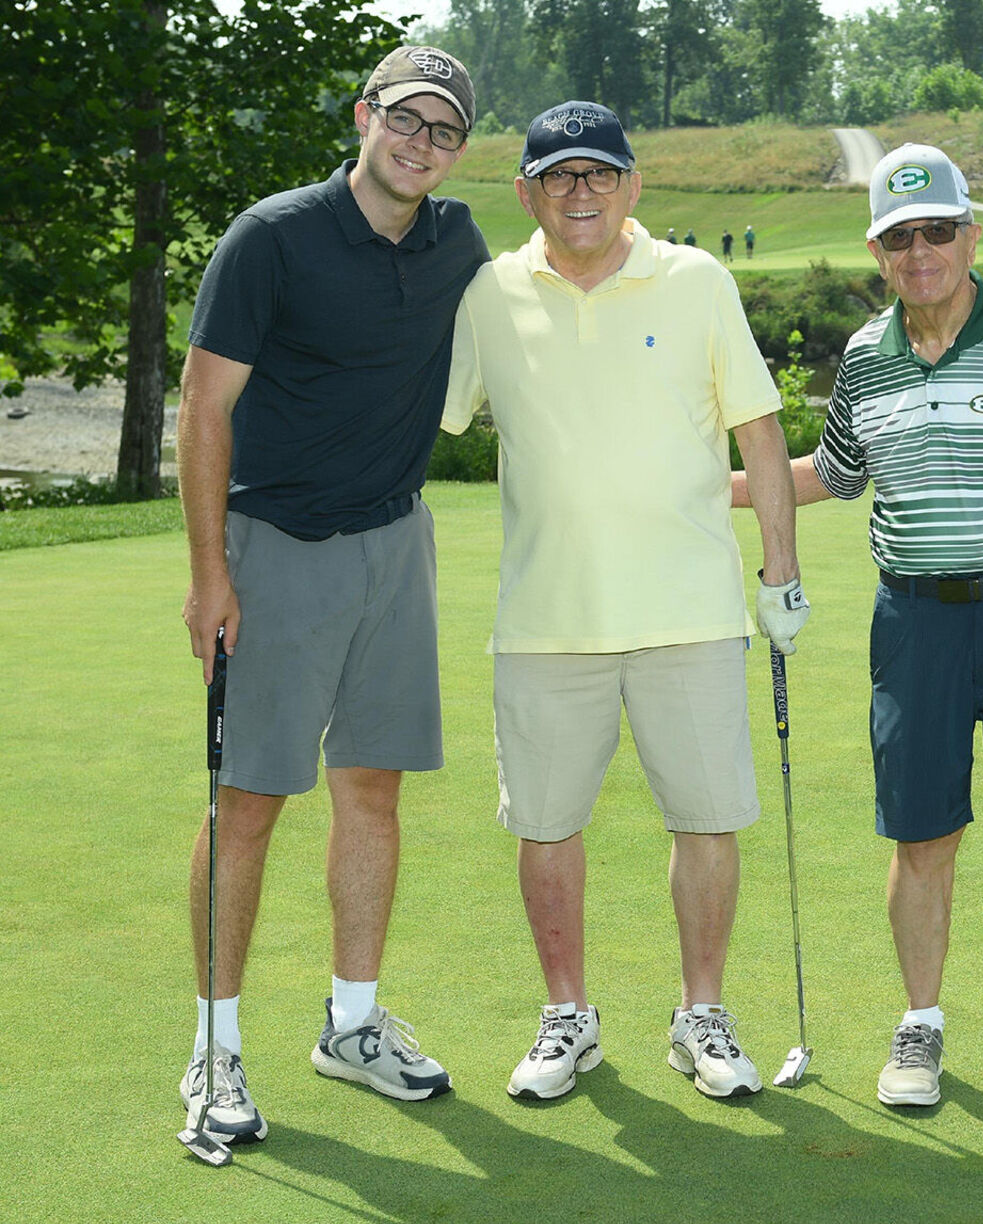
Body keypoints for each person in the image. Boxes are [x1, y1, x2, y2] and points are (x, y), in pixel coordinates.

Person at [734, 144, 983, 1116]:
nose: (920, 252)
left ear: (971, 237)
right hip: (914, 622)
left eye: (937, 231)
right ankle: (920, 1025)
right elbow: (831, 474)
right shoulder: (866, 356)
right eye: (900, 237)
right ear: (877, 252)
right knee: (920, 833)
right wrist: (706, 485)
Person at [442, 101, 808, 1102]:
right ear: (526, 192)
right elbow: (423, 411)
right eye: (559, 175)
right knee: (546, 825)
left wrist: (781, 570)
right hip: (545, 618)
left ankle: (701, 1013)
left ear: (632, 185)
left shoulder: (697, 280)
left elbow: (759, 430)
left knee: (707, 819)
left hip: (689, 614)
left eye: (599, 173)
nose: (581, 191)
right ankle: (568, 1014)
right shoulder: (488, 293)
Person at [175, 46, 489, 1147]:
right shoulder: (272, 236)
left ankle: (352, 1024)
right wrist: (210, 573)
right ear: (364, 116)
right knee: (250, 800)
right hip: (276, 548)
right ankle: (214, 1046)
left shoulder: (457, 241)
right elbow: (203, 406)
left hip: (397, 545)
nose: (420, 143)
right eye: (405, 118)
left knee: (374, 790)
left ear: (459, 151)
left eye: (443, 130)